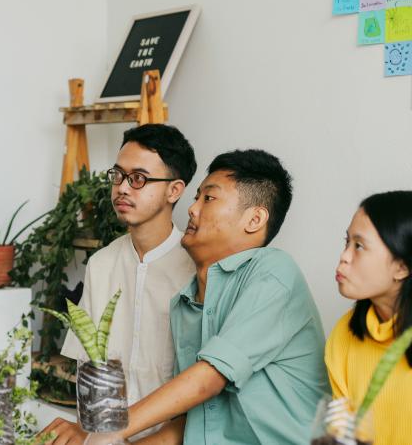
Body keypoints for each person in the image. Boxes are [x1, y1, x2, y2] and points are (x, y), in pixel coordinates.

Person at [46, 149, 329, 445]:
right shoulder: (186, 301)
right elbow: (189, 422)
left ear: (254, 219)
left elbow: (207, 379)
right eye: (196, 198)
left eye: (208, 198)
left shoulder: (274, 273)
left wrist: (111, 431)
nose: (192, 209)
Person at [51, 124, 196, 440]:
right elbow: (88, 366)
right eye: (117, 176)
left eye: (139, 179)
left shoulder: (195, 269)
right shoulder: (101, 264)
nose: (122, 189)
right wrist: (82, 428)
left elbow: (202, 388)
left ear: (175, 190)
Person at [326, 190, 412, 445]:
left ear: (402, 267)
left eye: (359, 246)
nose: (344, 256)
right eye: (347, 242)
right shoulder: (344, 333)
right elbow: (342, 435)